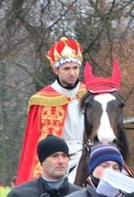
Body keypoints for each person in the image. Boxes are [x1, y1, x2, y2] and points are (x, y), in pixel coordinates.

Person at [16, 37, 86, 184]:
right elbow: (34, 141)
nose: (72, 73)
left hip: (89, 153)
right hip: (60, 158)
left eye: (75, 68)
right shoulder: (42, 100)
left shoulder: (90, 95)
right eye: (67, 69)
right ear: (56, 69)